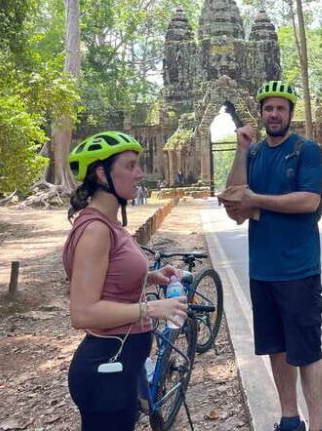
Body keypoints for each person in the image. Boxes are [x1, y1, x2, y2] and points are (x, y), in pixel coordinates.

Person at [63, 131, 188, 431]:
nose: (140, 173)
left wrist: (151, 276)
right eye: (130, 166)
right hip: (106, 368)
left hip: (120, 365)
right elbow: (82, 313)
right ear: (101, 173)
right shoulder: (96, 230)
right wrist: (150, 310)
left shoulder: (109, 224)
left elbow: (109, 275)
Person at [221, 81, 322, 431]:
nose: (275, 114)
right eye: (269, 108)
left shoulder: (305, 150)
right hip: (263, 271)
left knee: (307, 351)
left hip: (299, 269)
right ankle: (289, 417)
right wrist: (240, 149)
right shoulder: (253, 155)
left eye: (281, 108)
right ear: (261, 113)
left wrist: (257, 200)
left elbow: (308, 200)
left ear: (290, 114)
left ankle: (317, 426)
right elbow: (235, 206)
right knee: (277, 348)